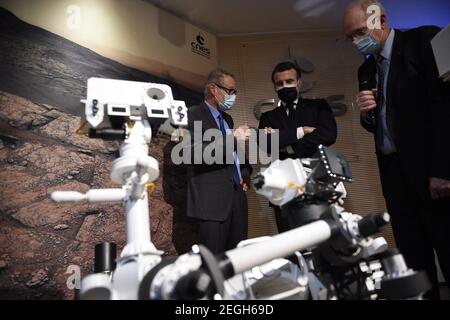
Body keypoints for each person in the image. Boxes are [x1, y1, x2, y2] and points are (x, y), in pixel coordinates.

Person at [343, 0, 450, 299]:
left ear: (381, 19)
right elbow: (381, 123)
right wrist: (367, 115)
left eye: (360, 31)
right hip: (395, 177)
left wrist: (443, 170)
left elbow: (443, 109)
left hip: (433, 174)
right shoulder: (366, 69)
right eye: (349, 36)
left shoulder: (423, 41)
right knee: (414, 263)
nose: (355, 41)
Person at [258, 61, 337, 233]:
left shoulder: (318, 106)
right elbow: (265, 144)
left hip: (316, 180)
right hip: (283, 185)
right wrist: (302, 131)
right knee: (290, 240)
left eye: (289, 81)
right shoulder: (268, 117)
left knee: (323, 236)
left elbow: (328, 135)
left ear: (299, 83)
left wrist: (286, 145)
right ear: (274, 86)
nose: (285, 86)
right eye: (280, 83)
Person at [185, 68, 252, 255]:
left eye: (234, 92)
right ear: (214, 89)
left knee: (238, 260)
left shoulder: (227, 120)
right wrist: (233, 139)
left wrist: (245, 173)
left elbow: (234, 155)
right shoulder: (193, 115)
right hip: (211, 204)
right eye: (230, 91)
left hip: (237, 200)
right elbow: (192, 154)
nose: (233, 96)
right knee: (212, 264)